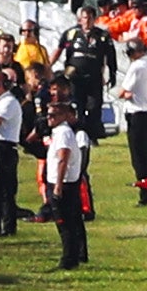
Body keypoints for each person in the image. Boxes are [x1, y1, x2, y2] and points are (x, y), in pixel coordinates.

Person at [40, 103, 93, 268]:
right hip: (63, 182)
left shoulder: (63, 133)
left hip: (64, 183)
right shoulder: (59, 132)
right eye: (48, 115)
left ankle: (69, 258)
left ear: (63, 116)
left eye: (53, 115)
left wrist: (57, 185)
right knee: (72, 220)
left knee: (65, 222)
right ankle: (77, 254)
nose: (49, 118)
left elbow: (63, 158)